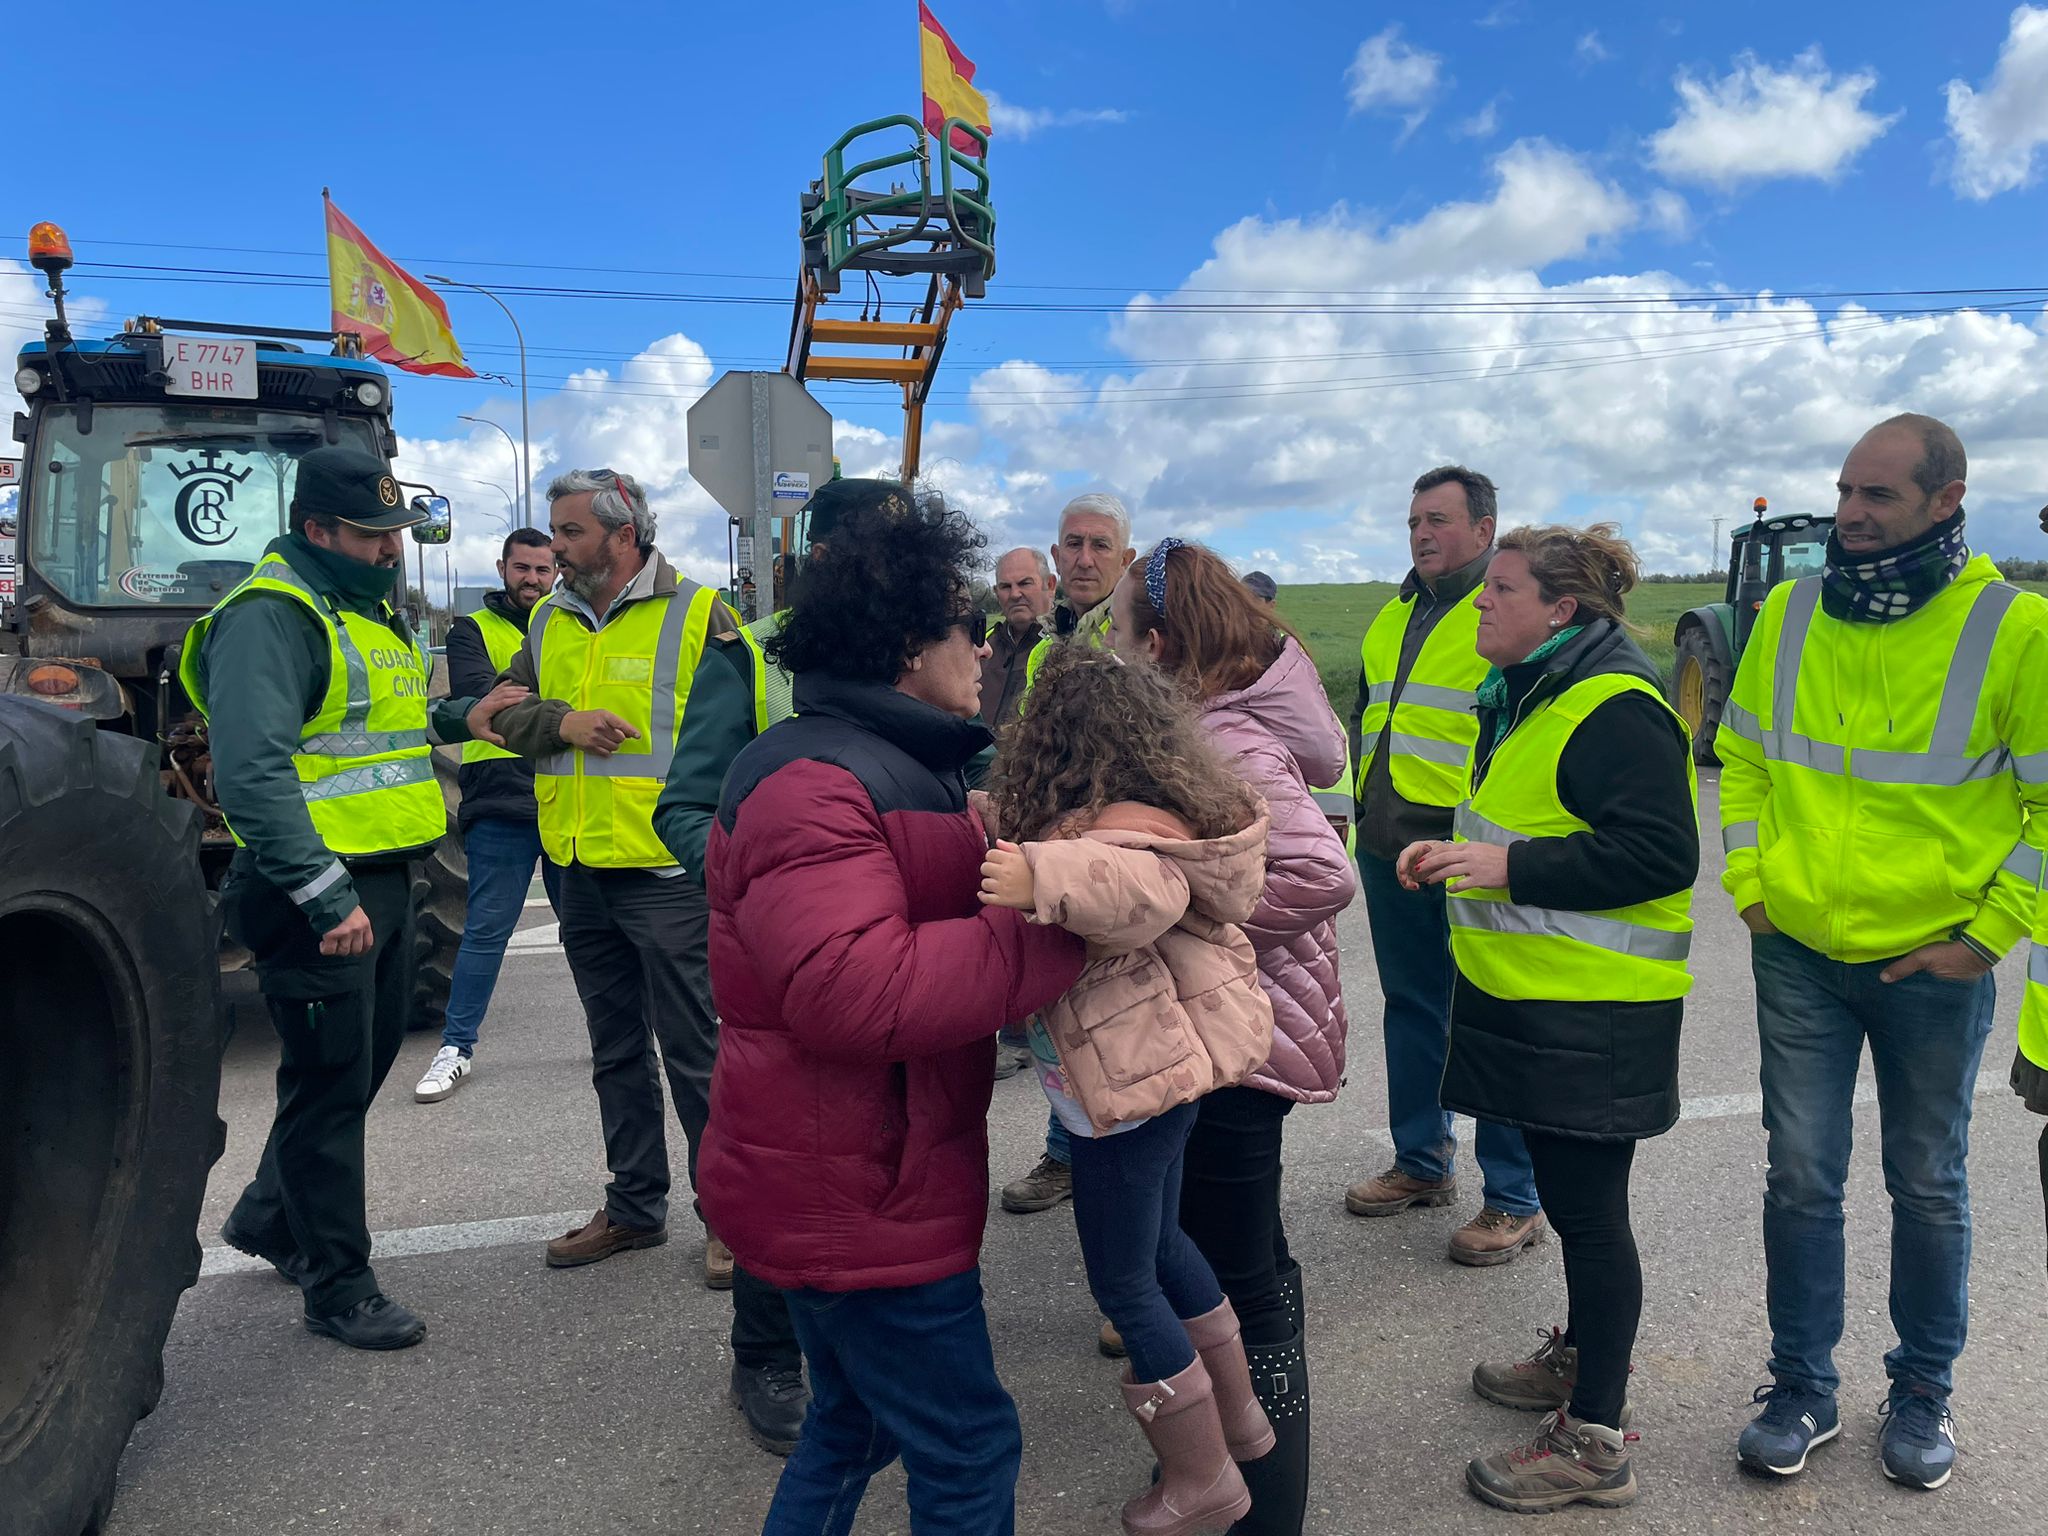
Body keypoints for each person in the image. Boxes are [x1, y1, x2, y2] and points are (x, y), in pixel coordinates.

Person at [698, 485, 1083, 1536]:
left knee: (854, 1425)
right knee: (965, 1449)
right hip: (853, 1184)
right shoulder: (813, 784)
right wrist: (1060, 922)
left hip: (860, 1169)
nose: (985, 649)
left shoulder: (884, 767)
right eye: (969, 627)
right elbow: (852, 993)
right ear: (912, 644)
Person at [1719, 415, 2048, 1491]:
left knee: (1926, 1182)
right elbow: (1744, 758)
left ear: (1946, 499)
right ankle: (1800, 1386)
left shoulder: (2013, 629)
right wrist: (1751, 890)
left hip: (1930, 965)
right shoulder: (1789, 608)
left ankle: (1919, 1392)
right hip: (1798, 954)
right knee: (1800, 1177)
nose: (1851, 518)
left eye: (1879, 498)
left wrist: (1986, 935)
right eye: (1844, 493)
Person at [187, 445, 523, 1349]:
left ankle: (268, 1215)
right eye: (373, 536)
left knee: (354, 1072)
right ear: (317, 530)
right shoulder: (271, 614)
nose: (389, 550)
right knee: (330, 1089)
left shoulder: (360, 612)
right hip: (318, 890)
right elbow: (252, 775)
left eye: (396, 534)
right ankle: (339, 1285)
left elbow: (375, 731)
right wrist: (327, 896)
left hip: (382, 873)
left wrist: (463, 718)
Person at [1397, 523, 1697, 1514]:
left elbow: (1659, 854)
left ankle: (1596, 1440)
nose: (1479, 604)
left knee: (1590, 1216)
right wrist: (1453, 855)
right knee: (1572, 1212)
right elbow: (1529, 821)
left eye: (1500, 589)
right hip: (1532, 1002)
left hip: (1593, 1015)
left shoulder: (1613, 706)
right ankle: (1581, 1361)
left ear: (1559, 610)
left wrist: (1502, 866)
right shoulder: (1528, 690)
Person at [980, 645, 1277, 1533]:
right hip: (1154, 1079)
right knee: (1160, 1248)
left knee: (1122, 1280)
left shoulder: (1125, 829)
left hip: (1125, 1093)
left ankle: (1203, 1481)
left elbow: (1131, 891)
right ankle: (1239, 1421)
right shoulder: (1145, 807)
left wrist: (1042, 877)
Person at [1108, 538, 1356, 1536]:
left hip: (1240, 1047)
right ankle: (1248, 1490)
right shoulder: (1205, 722)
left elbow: (1318, 875)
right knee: (1244, 1261)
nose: (1110, 645)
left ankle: (1264, 1509)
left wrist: (1176, 919)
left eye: (1119, 629)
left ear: (1160, 642)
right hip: (1238, 1030)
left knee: (1236, 1279)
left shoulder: (1221, 742)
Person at [482, 468, 741, 1288]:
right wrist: (563, 722)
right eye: (553, 534)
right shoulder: (548, 619)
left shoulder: (700, 613)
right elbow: (498, 714)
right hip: (577, 866)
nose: (554, 549)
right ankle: (634, 1208)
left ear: (622, 534)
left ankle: (730, 1220)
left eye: (569, 534)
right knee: (614, 1051)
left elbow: (745, 735)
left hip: (666, 872)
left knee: (698, 1053)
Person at [648, 481, 866, 1457]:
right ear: (821, 558)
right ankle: (766, 1355)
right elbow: (683, 808)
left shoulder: (934, 652)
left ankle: (868, 1346)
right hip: (782, 963)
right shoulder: (750, 655)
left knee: (892, 1160)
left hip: (895, 961)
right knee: (784, 1166)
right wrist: (755, 894)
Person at [1343, 466, 1546, 1267]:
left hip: (1467, 851)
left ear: (1485, 529)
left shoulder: (1501, 611)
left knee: (1489, 1018)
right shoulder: (1392, 616)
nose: (1422, 533)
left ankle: (1514, 1199)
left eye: (1439, 520)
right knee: (1415, 1008)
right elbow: (1369, 718)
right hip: (1391, 844)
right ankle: (1422, 1163)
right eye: (1413, 521)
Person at [1001, 491, 1140, 1214]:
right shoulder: (1053, 644)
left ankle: (1125, 1177)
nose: (1084, 558)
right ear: (1056, 557)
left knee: (1120, 1016)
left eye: (1099, 545)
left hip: (1118, 857)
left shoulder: (1139, 635)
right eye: (1073, 544)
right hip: (1055, 851)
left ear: (1127, 558)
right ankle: (1070, 1151)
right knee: (1057, 1011)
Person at [415, 528, 562, 1102]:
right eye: (522, 568)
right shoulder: (472, 630)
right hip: (500, 796)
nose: (532, 579)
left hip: (564, 794)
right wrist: (558, 708)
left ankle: (620, 1038)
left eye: (542, 570)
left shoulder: (569, 627)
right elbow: (483, 699)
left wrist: (527, 698)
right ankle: (456, 1048)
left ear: (556, 573)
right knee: (484, 930)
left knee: (596, 930)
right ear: (503, 568)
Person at [982, 546, 1056, 728]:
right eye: (1005, 586)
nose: (1015, 594)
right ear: (996, 593)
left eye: (1025, 583)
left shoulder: (1066, 646)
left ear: (1050, 585)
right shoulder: (981, 647)